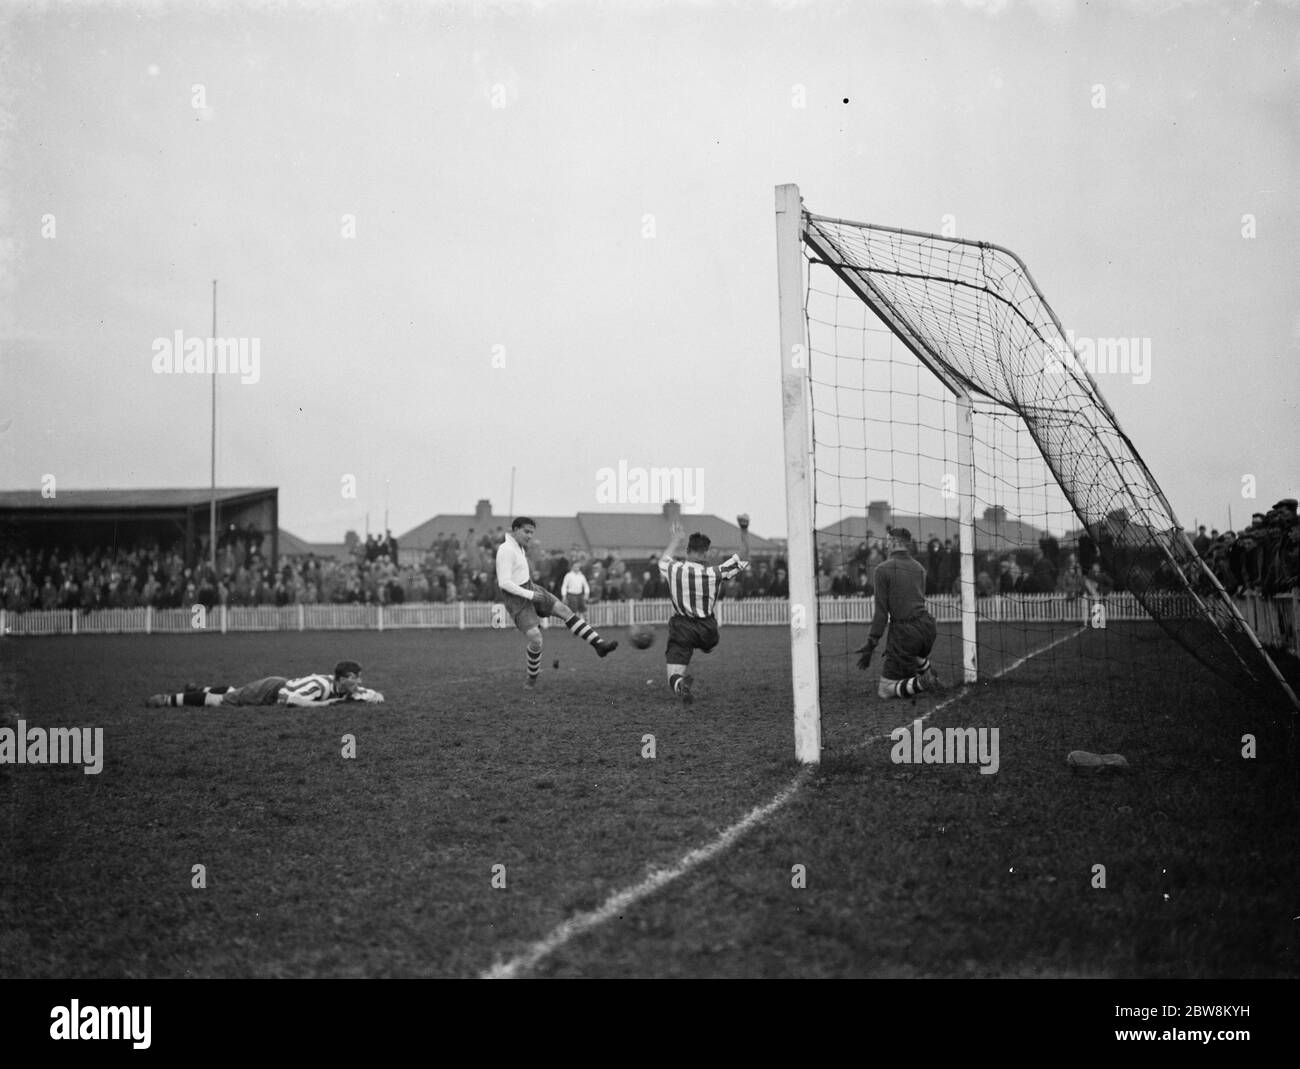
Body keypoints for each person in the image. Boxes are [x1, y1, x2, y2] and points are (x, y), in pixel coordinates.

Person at [496, 517, 617, 690]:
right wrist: (529, 595)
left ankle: (599, 644)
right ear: (515, 530)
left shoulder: (519, 547)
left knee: (564, 610)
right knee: (536, 639)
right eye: (526, 531)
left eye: (532, 532)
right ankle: (532, 677)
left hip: (530, 588)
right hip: (517, 598)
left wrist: (531, 590)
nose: (530, 536)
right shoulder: (505, 549)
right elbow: (504, 583)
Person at [658, 515, 751, 704]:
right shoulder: (714, 573)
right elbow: (744, 557)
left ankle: (679, 684)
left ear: (687, 550)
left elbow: (663, 559)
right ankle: (705, 647)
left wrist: (676, 538)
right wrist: (743, 529)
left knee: (672, 676)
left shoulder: (673, 569)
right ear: (706, 553)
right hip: (707, 630)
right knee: (708, 643)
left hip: (682, 628)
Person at [854, 528, 943, 699]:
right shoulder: (919, 568)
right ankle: (927, 672)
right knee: (914, 652)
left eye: (887, 542)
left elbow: (881, 613)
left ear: (894, 543)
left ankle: (922, 683)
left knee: (885, 690)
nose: (886, 546)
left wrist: (871, 644)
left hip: (905, 633)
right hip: (927, 629)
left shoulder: (882, 569)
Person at [145, 660, 383, 708]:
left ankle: (200, 690)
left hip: (275, 688)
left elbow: (371, 694)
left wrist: (374, 696)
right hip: (272, 690)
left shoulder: (344, 688)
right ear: (342, 679)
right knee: (222, 702)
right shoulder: (319, 685)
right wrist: (323, 705)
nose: (359, 682)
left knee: (235, 692)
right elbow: (286, 699)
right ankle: (169, 699)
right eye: (355, 678)